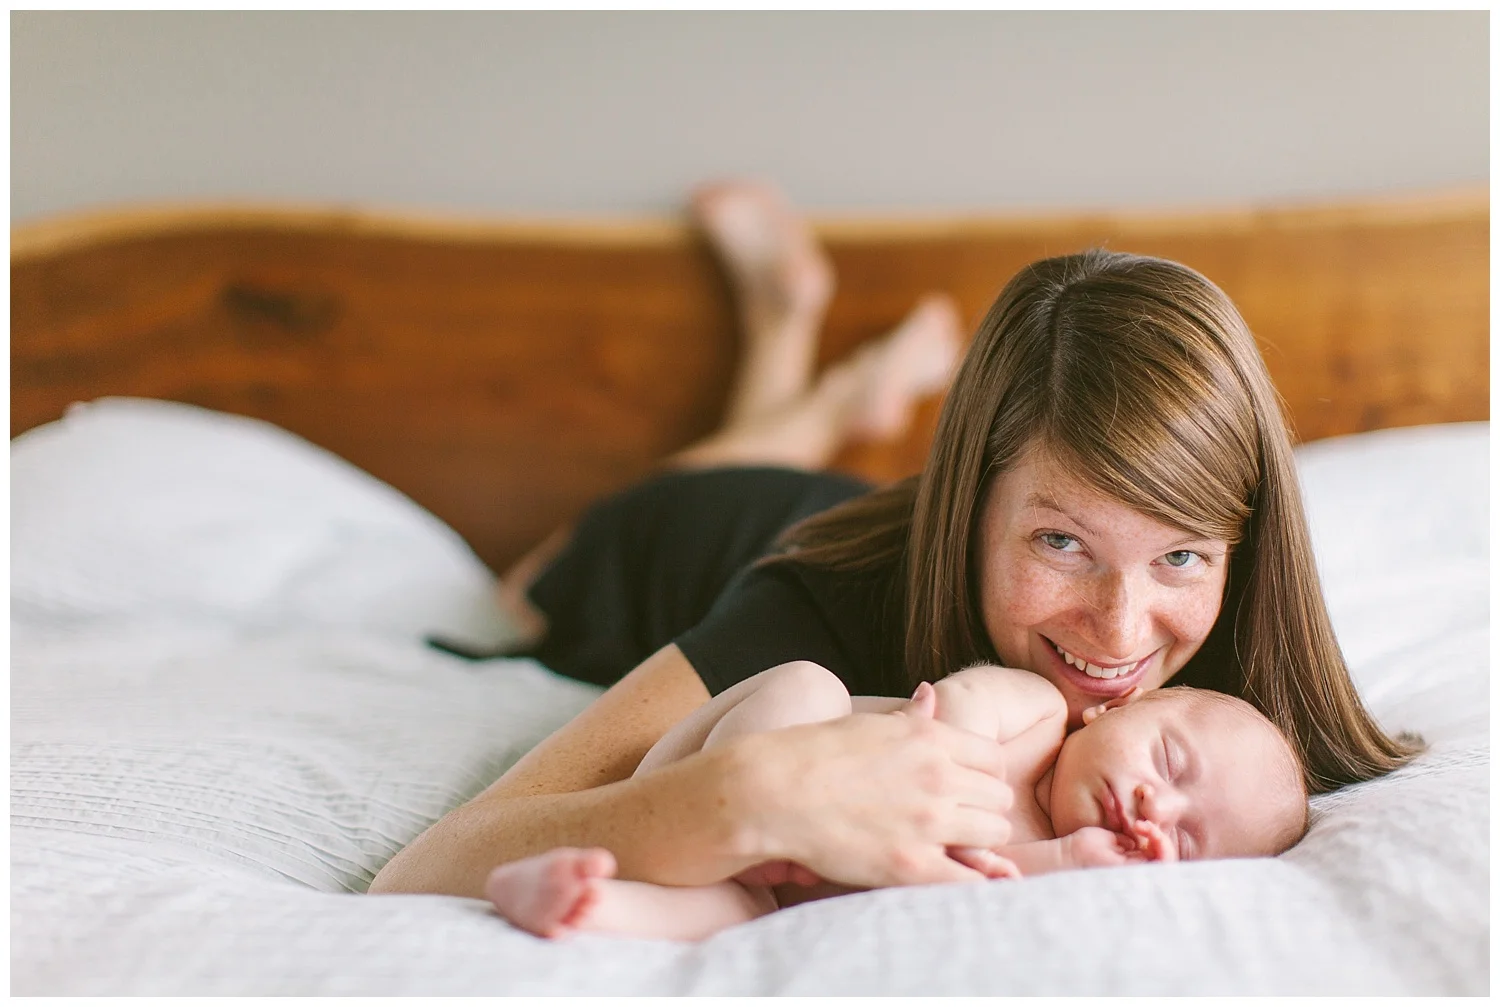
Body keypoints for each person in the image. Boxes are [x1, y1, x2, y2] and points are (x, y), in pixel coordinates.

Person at [368, 180, 1420, 903]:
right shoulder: (815, 608)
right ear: (967, 506)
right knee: (536, 573)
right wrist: (747, 794)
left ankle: (823, 382)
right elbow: (425, 867)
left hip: (836, 500)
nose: (1120, 628)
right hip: (699, 534)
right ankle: (801, 350)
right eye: (1060, 541)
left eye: (1180, 555)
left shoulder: (1233, 696)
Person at [483, 663, 1309, 940]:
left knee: (726, 914)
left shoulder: (1065, 879)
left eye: (1188, 837)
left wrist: (1062, 860)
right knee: (807, 686)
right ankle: (676, 835)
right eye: (1167, 760)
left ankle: (581, 901)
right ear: (1115, 707)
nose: (1153, 806)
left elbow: (958, 881)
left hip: (772, 881)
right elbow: (959, 707)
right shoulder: (1038, 718)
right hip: (733, 780)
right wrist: (951, 727)